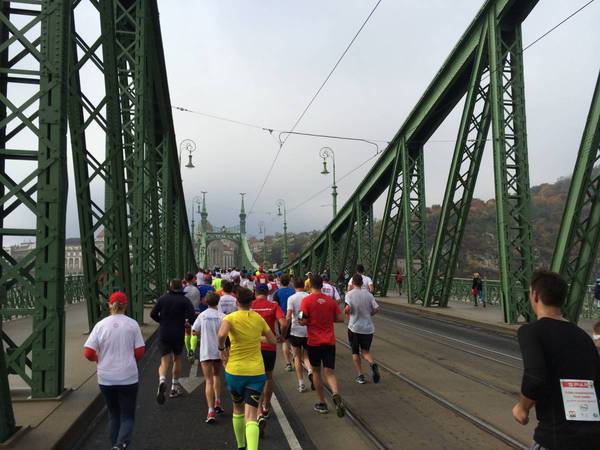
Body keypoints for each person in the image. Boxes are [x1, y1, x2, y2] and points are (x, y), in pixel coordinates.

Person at [513, 270, 600, 450]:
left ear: (535, 296)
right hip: (592, 438)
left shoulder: (531, 332)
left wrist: (522, 407)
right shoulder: (583, 337)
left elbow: (535, 377)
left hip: (555, 437)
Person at [84, 292, 144, 450]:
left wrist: (98, 360)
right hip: (128, 377)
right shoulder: (132, 324)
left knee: (113, 414)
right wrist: (130, 361)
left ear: (110, 305)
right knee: (127, 416)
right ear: (126, 305)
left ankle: (115, 445)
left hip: (106, 377)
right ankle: (121, 444)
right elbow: (139, 351)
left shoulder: (100, 325)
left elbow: (88, 352)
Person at [218, 287, 277, 450]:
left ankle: (240, 445)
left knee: (237, 408)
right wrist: (257, 337)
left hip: (235, 371)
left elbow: (222, 335)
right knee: (251, 415)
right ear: (251, 302)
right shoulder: (258, 318)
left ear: (237, 302)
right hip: (255, 373)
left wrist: (222, 349)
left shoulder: (230, 318)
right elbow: (273, 341)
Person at [300, 274, 345, 417]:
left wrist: (308, 322)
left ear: (310, 285)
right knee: (330, 372)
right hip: (329, 341)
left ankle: (322, 403)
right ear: (322, 285)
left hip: (313, 342)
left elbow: (302, 320)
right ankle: (336, 393)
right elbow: (340, 319)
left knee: (316, 373)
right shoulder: (331, 301)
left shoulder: (306, 301)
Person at [150, 279, 196, 403]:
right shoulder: (184, 300)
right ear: (181, 287)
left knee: (164, 360)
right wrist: (187, 323)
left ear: (170, 287)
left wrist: (162, 321)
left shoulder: (163, 298)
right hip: (178, 333)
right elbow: (192, 317)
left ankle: (162, 380)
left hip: (164, 333)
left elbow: (152, 314)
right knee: (177, 359)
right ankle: (174, 388)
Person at [251, 284, 286, 430]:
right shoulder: (273, 305)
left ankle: (258, 411)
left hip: (253, 346)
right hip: (270, 347)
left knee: (255, 378)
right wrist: (281, 336)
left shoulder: (250, 305)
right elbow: (283, 322)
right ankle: (266, 406)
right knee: (268, 377)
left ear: (255, 292)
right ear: (268, 293)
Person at [191, 292, 225, 424]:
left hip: (205, 351)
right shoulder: (222, 316)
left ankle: (210, 410)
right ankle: (218, 401)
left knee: (208, 380)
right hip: (218, 351)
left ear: (205, 302)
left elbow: (194, 331)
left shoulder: (202, 315)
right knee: (217, 376)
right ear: (218, 302)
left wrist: (202, 332)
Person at [345, 274, 381, 384]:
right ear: (362, 283)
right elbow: (377, 308)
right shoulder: (369, 295)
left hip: (354, 328)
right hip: (368, 328)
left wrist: (346, 313)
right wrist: (369, 314)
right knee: (365, 352)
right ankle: (372, 363)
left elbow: (348, 309)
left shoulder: (349, 294)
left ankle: (360, 375)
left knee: (355, 352)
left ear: (353, 283)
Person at [286, 277, 313, 392]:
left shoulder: (291, 298)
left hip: (295, 331)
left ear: (294, 286)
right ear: (304, 285)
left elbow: (288, 316)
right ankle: (310, 370)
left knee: (297, 357)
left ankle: (301, 384)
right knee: (306, 356)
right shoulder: (309, 297)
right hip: (307, 331)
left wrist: (284, 331)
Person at [274, 274, 296, 372]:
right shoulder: (293, 291)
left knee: (284, 340)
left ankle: (288, 364)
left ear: (280, 281)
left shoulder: (277, 293)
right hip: (293, 318)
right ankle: (296, 360)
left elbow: (275, 307)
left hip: (282, 319)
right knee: (293, 342)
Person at [183, 272, 201, 361]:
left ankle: (187, 351)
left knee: (187, 332)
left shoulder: (183, 290)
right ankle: (192, 350)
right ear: (193, 279)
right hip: (196, 312)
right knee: (194, 332)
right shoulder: (197, 290)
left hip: (186, 313)